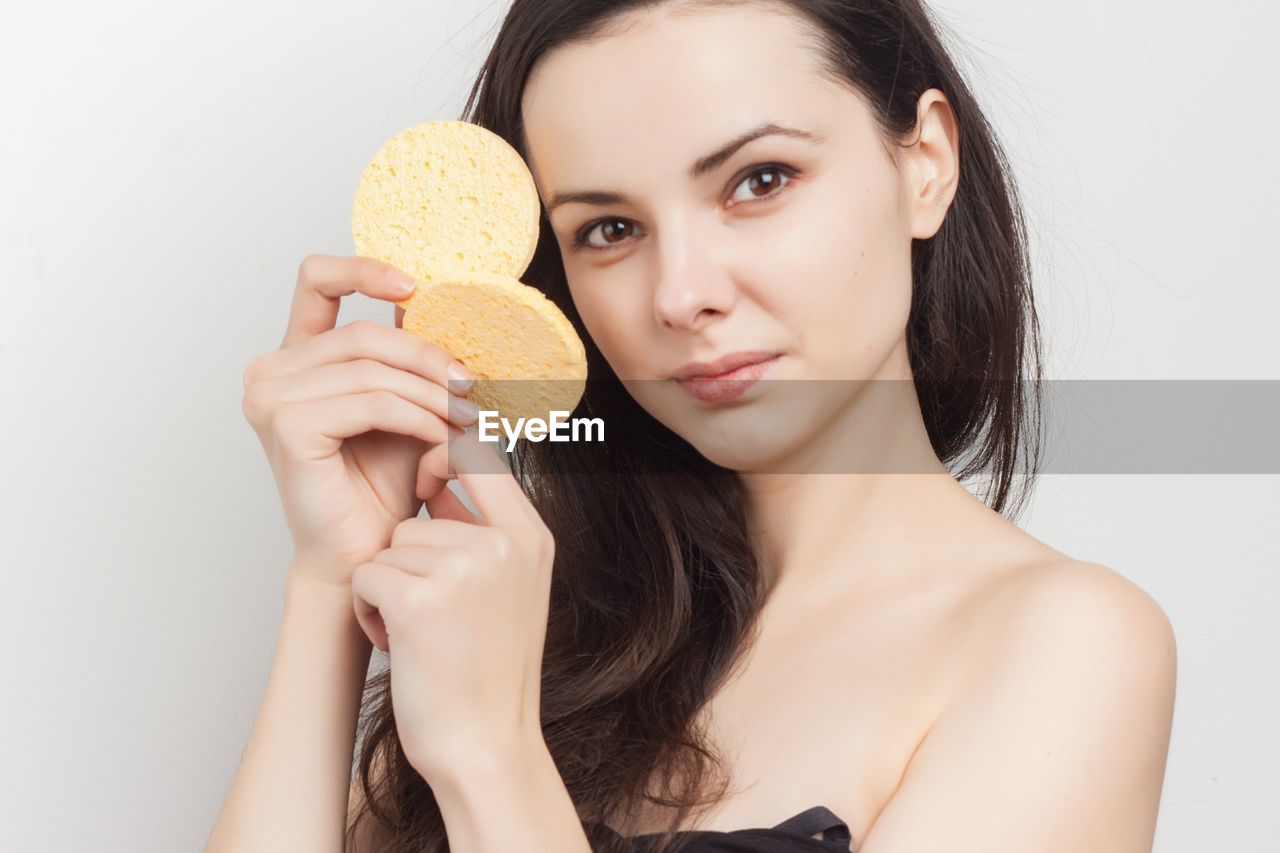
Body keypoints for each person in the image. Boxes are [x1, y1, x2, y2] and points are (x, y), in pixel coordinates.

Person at [206, 1, 1177, 851]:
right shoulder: (527, 627)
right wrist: (331, 578)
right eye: (608, 229)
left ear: (922, 162)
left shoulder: (1063, 644)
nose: (680, 294)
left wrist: (491, 756)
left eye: (757, 181)